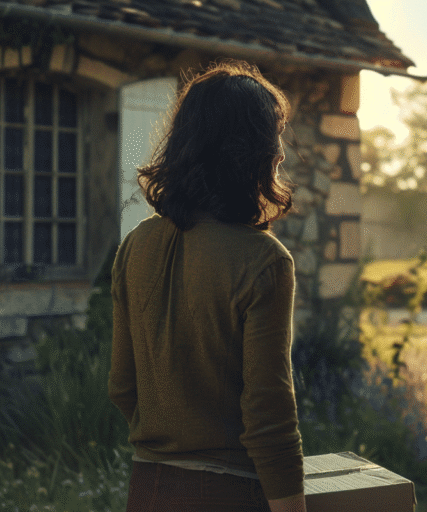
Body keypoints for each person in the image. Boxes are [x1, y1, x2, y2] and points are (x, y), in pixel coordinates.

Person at [108, 61, 306, 512]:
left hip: (146, 489)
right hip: (226, 494)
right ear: (247, 149)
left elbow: (122, 385)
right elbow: (268, 414)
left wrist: (170, 439)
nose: (280, 149)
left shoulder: (135, 245)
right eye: (273, 132)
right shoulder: (264, 261)